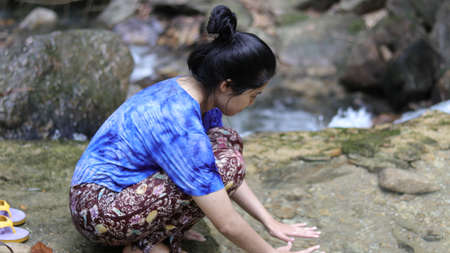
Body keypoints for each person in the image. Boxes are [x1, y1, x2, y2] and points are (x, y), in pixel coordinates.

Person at [69, 5, 323, 253]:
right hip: (99, 211)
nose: (253, 102)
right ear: (226, 85)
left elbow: (219, 174)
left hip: (123, 193)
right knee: (226, 163)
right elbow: (226, 222)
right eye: (254, 94)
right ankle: (143, 243)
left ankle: (154, 235)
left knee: (225, 142)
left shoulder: (202, 92)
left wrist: (269, 221)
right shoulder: (178, 121)